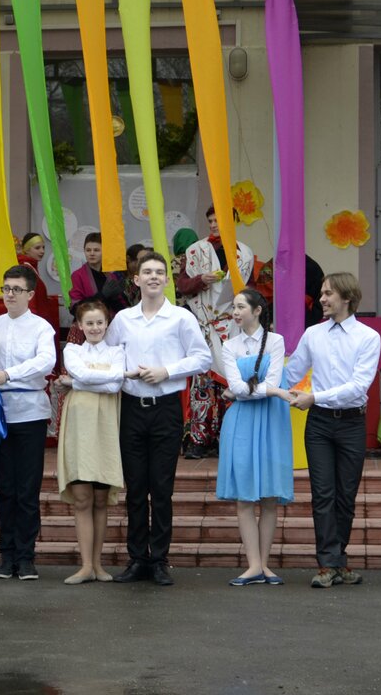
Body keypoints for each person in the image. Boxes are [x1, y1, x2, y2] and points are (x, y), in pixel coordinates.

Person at [106, 251, 211, 586]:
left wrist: (167, 370)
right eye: (146, 271)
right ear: (136, 279)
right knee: (135, 488)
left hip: (165, 408)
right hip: (132, 408)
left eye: (158, 272)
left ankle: (160, 559)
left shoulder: (180, 318)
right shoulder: (123, 319)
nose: (153, 276)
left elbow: (203, 357)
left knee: (162, 488)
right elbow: (109, 357)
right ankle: (137, 558)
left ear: (167, 280)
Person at [283, 272, 381, 589]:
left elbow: (358, 387)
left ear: (347, 298)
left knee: (346, 496)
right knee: (323, 494)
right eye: (323, 293)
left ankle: (338, 559)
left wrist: (314, 397)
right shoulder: (313, 334)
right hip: (320, 424)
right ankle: (328, 564)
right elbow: (291, 373)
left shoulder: (368, 337)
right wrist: (254, 382)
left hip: (352, 422)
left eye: (328, 294)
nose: (322, 299)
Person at [0, 265, 57, 581]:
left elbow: (46, 361)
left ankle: (26, 557)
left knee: (27, 488)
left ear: (30, 294)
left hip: (30, 414)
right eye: (6, 288)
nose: (9, 294)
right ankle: (6, 555)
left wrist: (9, 374)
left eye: (16, 289)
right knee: (4, 488)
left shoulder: (41, 327)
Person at [218, 290, 294, 586]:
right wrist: (272, 391)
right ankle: (253, 565)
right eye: (234, 307)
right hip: (241, 423)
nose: (235, 312)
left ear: (258, 310)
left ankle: (263, 564)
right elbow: (237, 387)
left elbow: (265, 382)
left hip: (271, 421)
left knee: (270, 497)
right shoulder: (229, 345)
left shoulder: (275, 341)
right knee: (245, 497)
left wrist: (253, 391)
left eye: (241, 307)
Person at [57, 300, 125, 585]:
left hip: (106, 426)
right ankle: (85, 565)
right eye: (89, 323)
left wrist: (75, 383)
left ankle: (98, 564)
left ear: (107, 324)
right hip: (79, 426)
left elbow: (116, 383)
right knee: (83, 498)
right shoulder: (72, 351)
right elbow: (85, 373)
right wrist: (88, 379)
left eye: (100, 322)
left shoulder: (117, 351)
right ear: (79, 326)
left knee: (100, 499)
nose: (95, 328)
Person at [180, 207, 255, 459]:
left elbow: (251, 290)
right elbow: (182, 285)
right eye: (210, 220)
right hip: (204, 326)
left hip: (233, 327)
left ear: (232, 222)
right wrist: (201, 279)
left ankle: (228, 438)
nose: (213, 224)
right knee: (202, 386)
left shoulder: (245, 253)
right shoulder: (195, 250)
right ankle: (198, 440)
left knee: (231, 382)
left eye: (218, 220)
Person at [68, 232, 112, 314]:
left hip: (110, 320)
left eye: (96, 250)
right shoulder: (77, 275)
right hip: (87, 320)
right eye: (88, 250)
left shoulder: (111, 275)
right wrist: (101, 295)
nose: (92, 253)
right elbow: (74, 308)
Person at [100, 243, 148, 315]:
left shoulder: (143, 276)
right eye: (138, 261)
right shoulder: (115, 277)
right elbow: (112, 302)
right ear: (128, 259)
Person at [18, 232, 55, 324]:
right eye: (37, 248)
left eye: (43, 247)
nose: (42, 251)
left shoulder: (31, 267)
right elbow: (29, 299)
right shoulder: (26, 269)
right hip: (33, 321)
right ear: (26, 249)